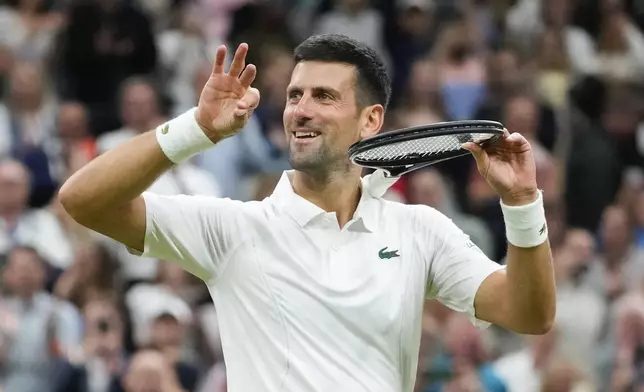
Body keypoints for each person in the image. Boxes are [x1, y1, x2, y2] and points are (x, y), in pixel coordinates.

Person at [58, 34, 556, 391]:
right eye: (294, 95)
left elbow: (529, 314)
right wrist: (197, 129)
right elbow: (84, 199)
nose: (300, 109)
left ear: (371, 120)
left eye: (324, 96)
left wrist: (521, 204)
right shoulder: (233, 230)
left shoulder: (418, 230)